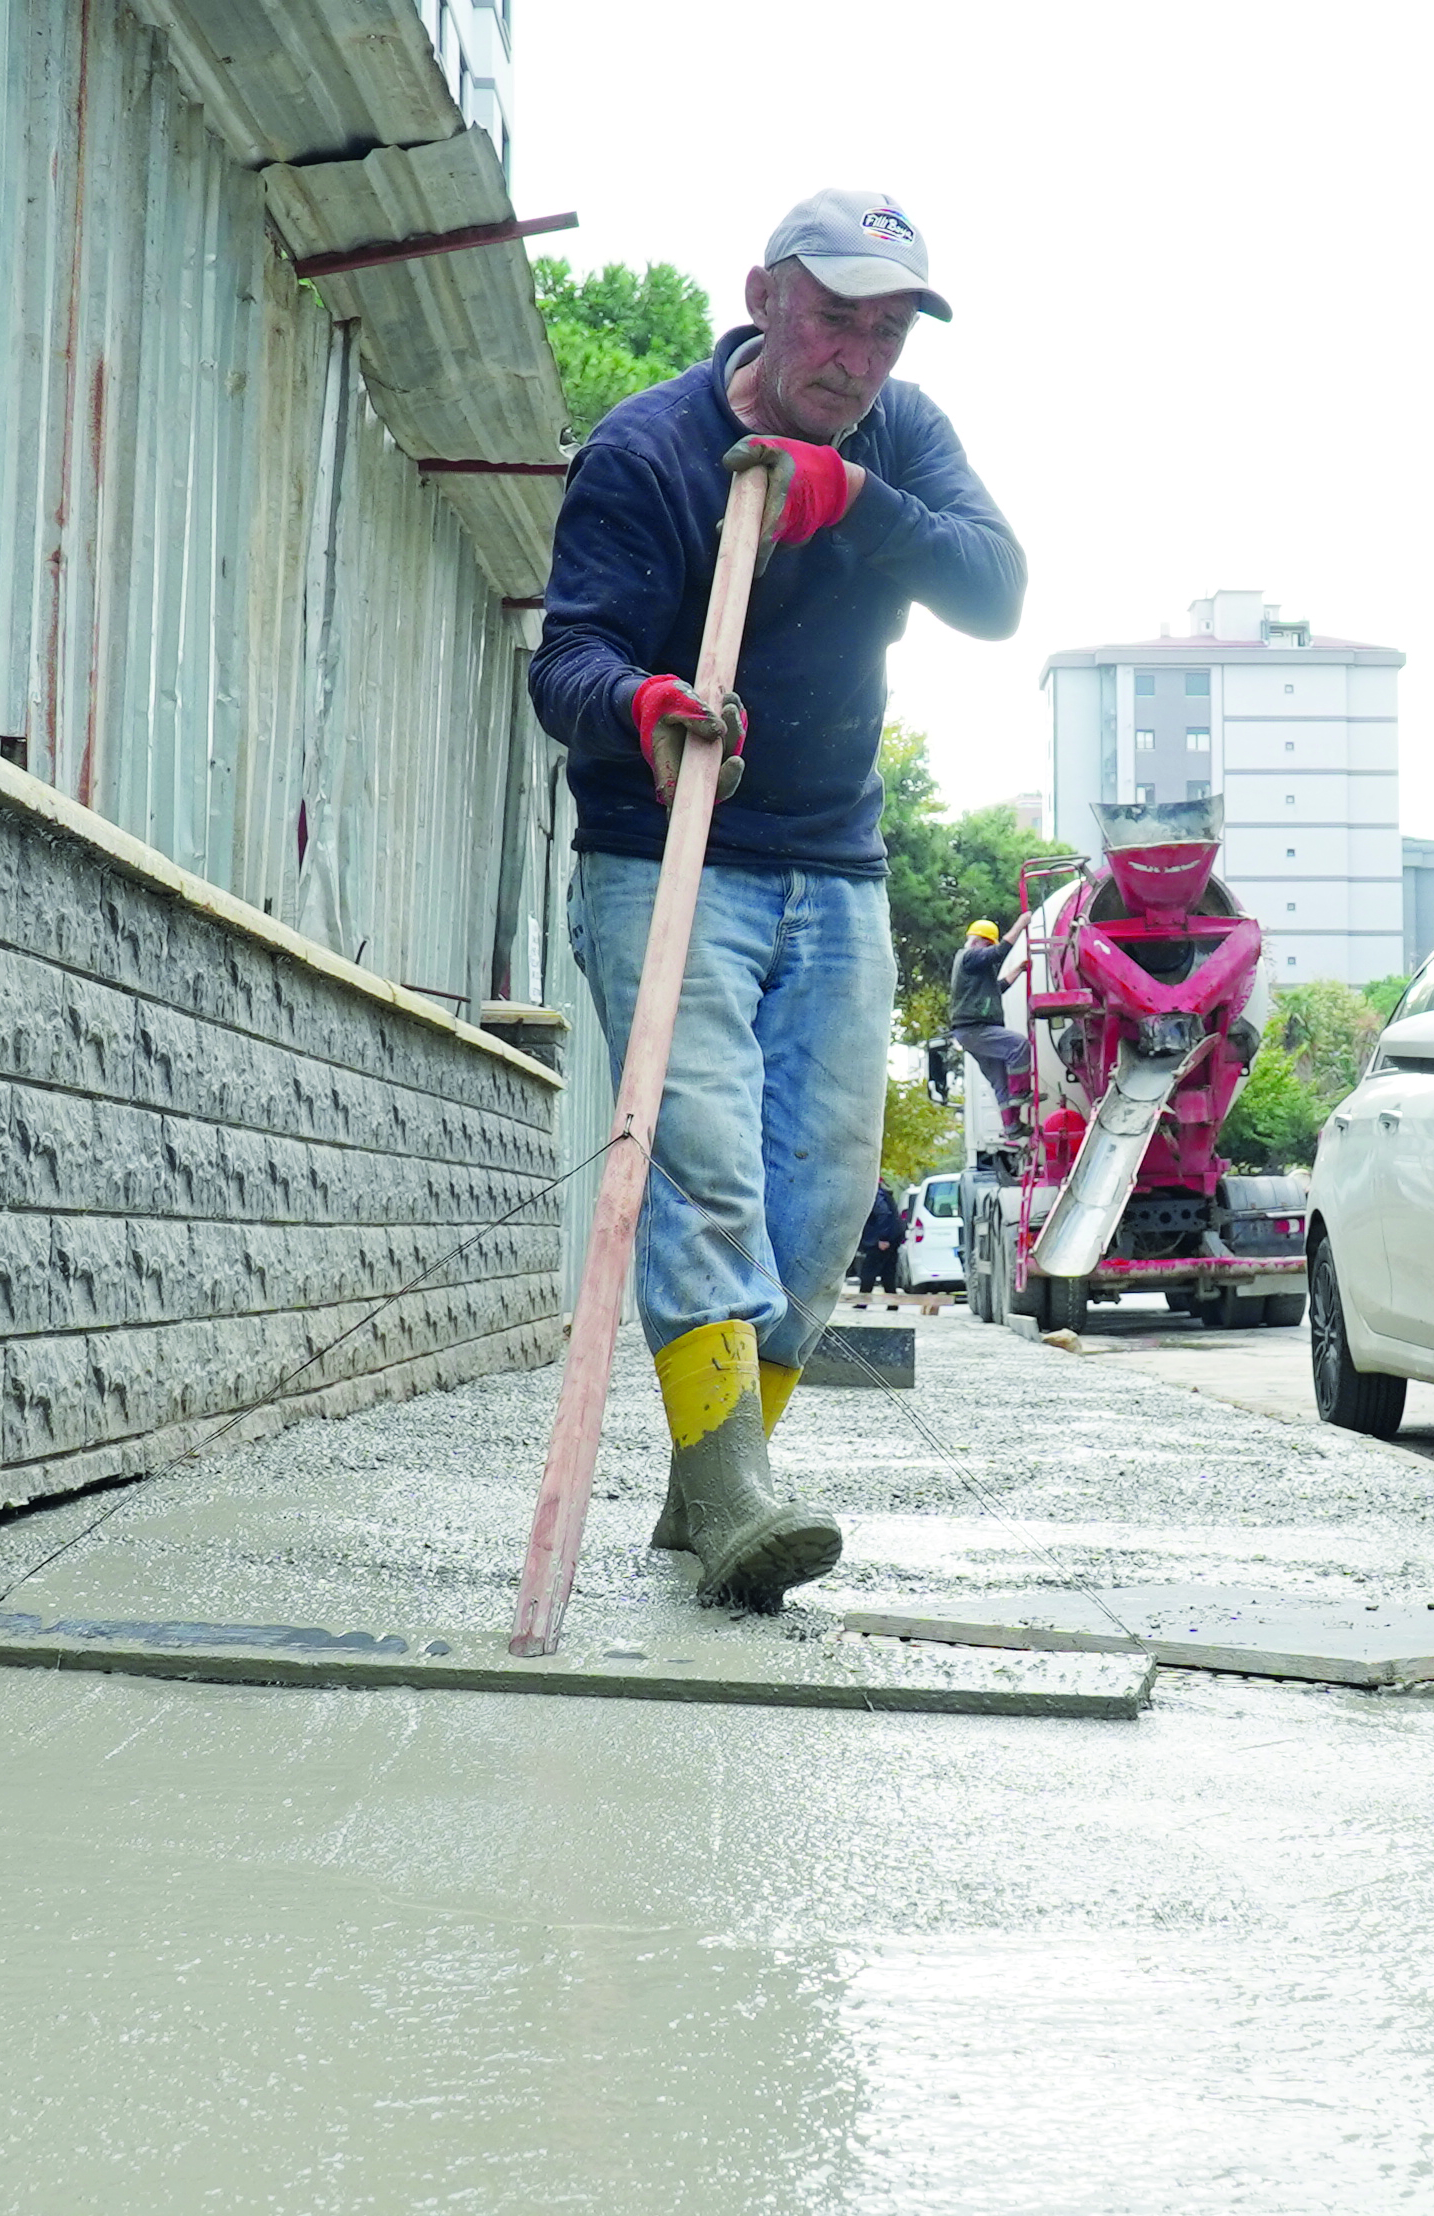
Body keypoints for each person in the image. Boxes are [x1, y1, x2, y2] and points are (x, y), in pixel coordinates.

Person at [529, 190, 1024, 1608]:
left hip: (836, 865)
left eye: (887, 332)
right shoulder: (648, 453)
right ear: (762, 296)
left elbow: (994, 589)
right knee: (704, 1174)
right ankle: (742, 1494)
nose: (859, 358)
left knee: (819, 1206)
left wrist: (856, 503)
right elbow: (564, 663)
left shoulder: (899, 440)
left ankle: (707, 1496)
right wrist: (647, 702)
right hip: (664, 851)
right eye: (834, 319)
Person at [947, 917, 1030, 1142]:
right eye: (989, 945)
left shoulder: (973, 969)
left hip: (969, 1033)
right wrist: (1021, 924)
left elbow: (998, 988)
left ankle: (1012, 1126)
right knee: (1018, 1045)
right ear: (980, 942)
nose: (991, 950)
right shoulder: (970, 957)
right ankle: (1021, 1093)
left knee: (999, 1080)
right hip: (976, 1029)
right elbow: (999, 952)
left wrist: (1018, 970)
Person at [855, 1183, 906, 1296]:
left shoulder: (876, 1194)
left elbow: (883, 1214)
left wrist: (883, 1238)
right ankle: (892, 1301)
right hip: (891, 1238)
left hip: (881, 1240)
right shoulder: (883, 1194)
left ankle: (863, 1298)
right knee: (888, 1271)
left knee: (869, 1270)